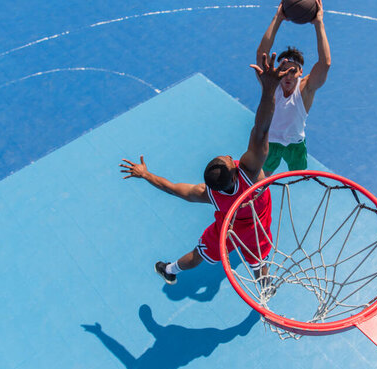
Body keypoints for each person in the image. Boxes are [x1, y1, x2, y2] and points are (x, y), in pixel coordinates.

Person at [120, 53, 296, 286]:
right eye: (228, 159)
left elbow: (172, 189)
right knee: (258, 260)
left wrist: (145, 174)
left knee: (199, 253)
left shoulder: (207, 194)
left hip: (228, 228)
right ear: (234, 171)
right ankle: (265, 288)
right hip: (257, 227)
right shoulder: (250, 172)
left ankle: (170, 270)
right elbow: (262, 129)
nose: (229, 156)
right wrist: (268, 90)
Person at [256, 0, 331, 176]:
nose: (288, 75)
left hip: (295, 144)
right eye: (284, 70)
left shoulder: (306, 89)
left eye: (292, 71)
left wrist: (319, 23)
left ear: (300, 72)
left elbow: (325, 63)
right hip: (270, 142)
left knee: (299, 176)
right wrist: (278, 18)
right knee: (262, 179)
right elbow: (261, 55)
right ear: (278, 71)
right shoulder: (271, 84)